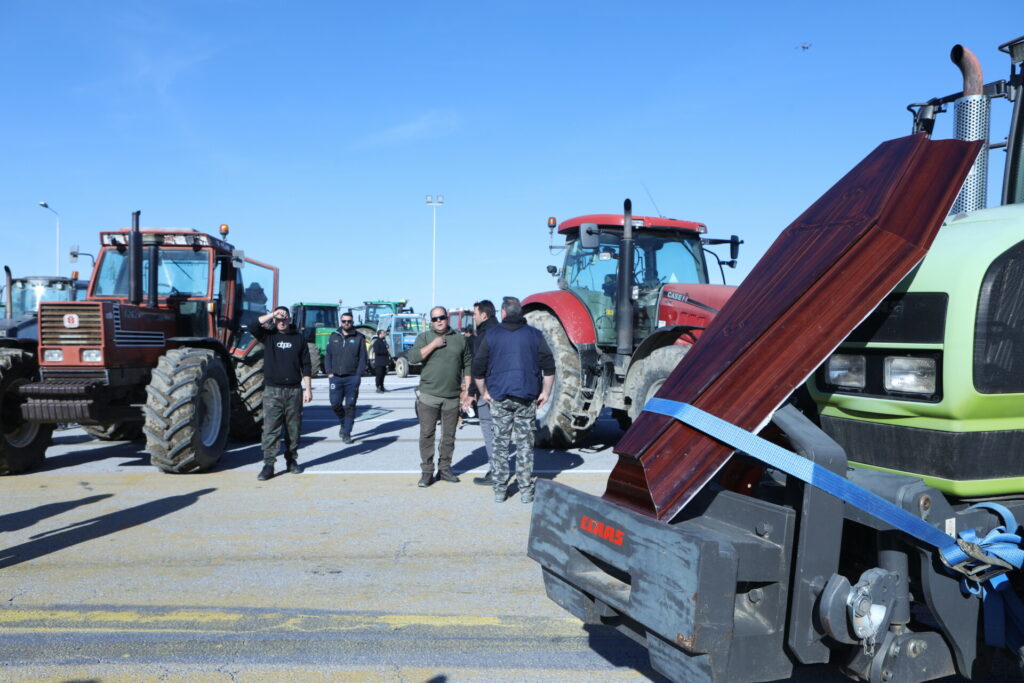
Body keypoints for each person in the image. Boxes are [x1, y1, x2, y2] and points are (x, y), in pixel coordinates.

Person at [473, 297, 555, 504]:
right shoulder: (534, 335)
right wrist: (546, 392)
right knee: (525, 445)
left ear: (503, 313)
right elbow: (549, 365)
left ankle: (500, 491)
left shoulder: (491, 335)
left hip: (500, 397)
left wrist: (484, 392)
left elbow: (478, 368)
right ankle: (526, 491)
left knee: (500, 445)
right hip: (526, 397)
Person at [408, 306, 472, 488]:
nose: (439, 321)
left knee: (449, 436)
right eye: (435, 319)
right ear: (431, 321)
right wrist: (433, 345)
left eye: (442, 317)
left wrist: (468, 390)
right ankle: (427, 472)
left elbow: (468, 364)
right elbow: (413, 357)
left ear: (447, 318)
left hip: (452, 396)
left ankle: (444, 469)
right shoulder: (424, 337)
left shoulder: (459, 339)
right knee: (427, 434)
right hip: (429, 395)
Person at [250, 306, 313, 481]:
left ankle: (291, 460)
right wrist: (272, 314)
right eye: (278, 318)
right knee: (270, 430)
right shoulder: (268, 336)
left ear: (289, 319)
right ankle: (268, 465)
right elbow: (252, 326)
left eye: (284, 318)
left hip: (294, 390)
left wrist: (308, 389)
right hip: (272, 391)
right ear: (274, 320)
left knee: (293, 430)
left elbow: (306, 365)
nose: (281, 321)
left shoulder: (299, 338)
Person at [469, 300, 499, 487]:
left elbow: (477, 367)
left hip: (487, 391)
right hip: (507, 391)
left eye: (475, 314)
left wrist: (472, 392)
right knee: (503, 433)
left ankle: (496, 472)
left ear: (484, 315)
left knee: (489, 432)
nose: (474, 317)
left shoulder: (483, 337)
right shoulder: (504, 332)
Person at [325, 312, 366, 444]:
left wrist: (358, 375)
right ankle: (343, 422)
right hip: (335, 378)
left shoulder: (359, 337)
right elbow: (328, 355)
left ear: (352, 322)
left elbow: (363, 358)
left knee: (350, 405)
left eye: (349, 321)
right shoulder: (334, 336)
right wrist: (329, 373)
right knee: (335, 403)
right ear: (341, 322)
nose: (346, 323)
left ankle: (347, 432)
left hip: (352, 378)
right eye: (344, 321)